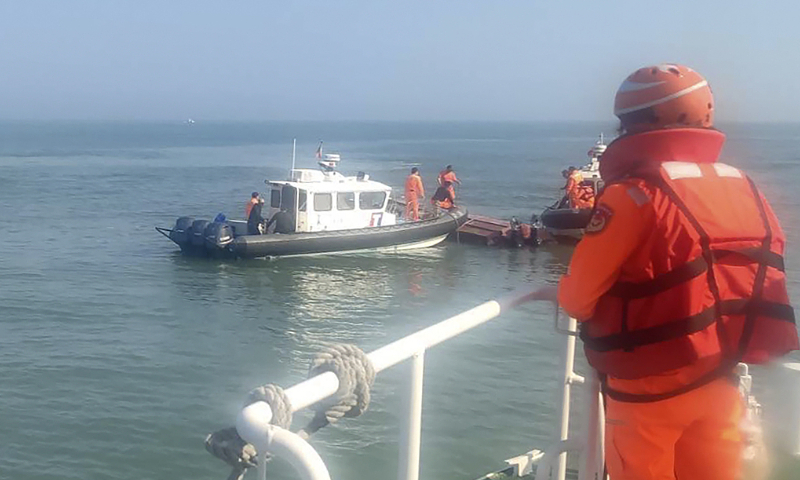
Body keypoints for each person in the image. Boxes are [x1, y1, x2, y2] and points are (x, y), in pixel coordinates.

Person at [534, 64, 798, 480]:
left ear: (638, 124)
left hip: (646, 390)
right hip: (721, 375)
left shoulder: (632, 196)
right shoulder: (743, 185)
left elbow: (576, 298)